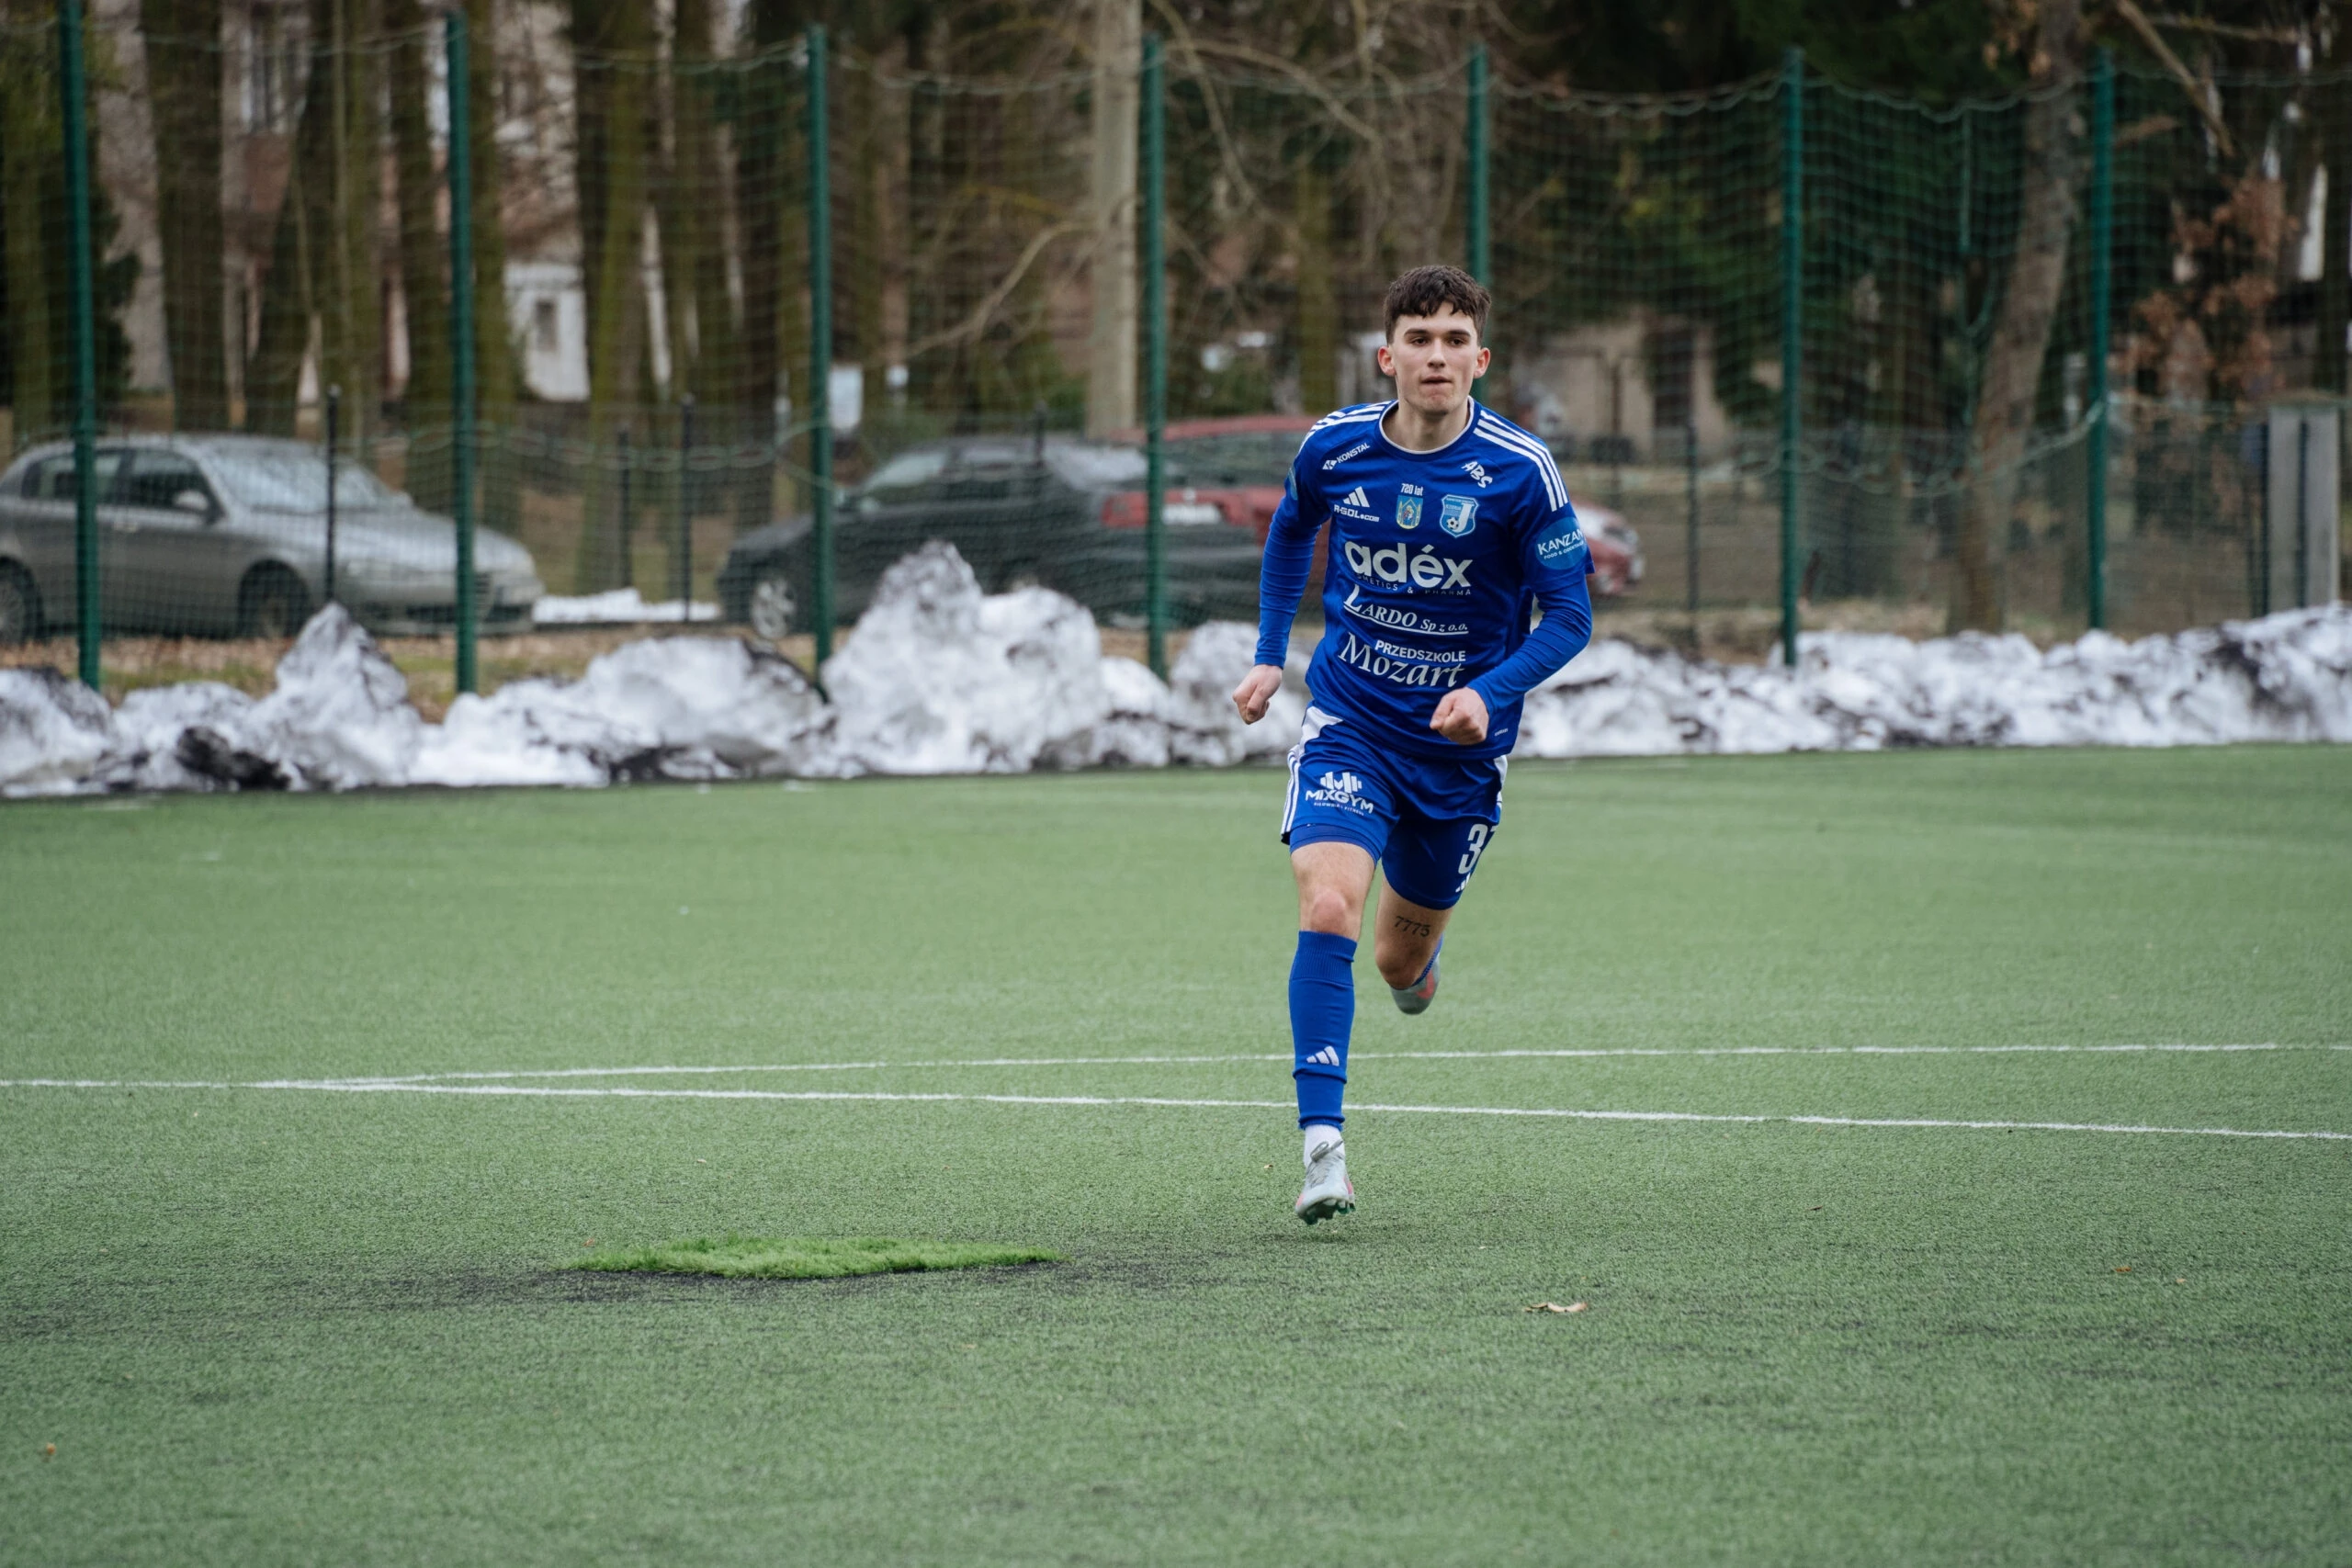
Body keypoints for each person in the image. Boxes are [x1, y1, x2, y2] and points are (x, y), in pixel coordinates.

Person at [1230, 265, 1595, 1224]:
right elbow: (1289, 532)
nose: (1437, 355)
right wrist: (1269, 655)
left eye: (1454, 340)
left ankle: (1417, 970)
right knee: (1327, 905)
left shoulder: (1521, 470)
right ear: (1387, 356)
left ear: (1482, 358)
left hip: (1459, 754)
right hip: (1350, 721)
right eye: (1419, 339)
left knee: (1395, 961)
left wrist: (1487, 690)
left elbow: (1569, 617)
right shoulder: (1335, 447)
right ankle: (1323, 1150)